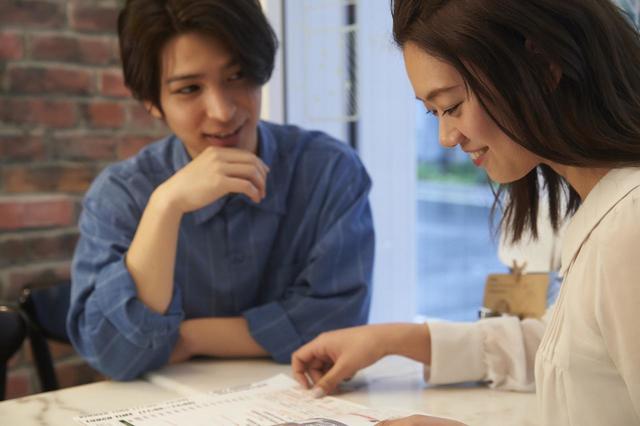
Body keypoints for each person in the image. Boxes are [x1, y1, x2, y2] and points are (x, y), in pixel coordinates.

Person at [292, 0, 640, 425]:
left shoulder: (629, 227)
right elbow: (575, 351)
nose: (445, 136)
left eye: (452, 105)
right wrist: (394, 339)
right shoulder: (609, 209)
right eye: (433, 112)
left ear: (544, 65)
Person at [67, 0, 374, 381]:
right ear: (152, 102)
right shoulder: (121, 195)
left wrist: (189, 337)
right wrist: (165, 207)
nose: (222, 111)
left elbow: (338, 323)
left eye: (237, 75)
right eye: (189, 88)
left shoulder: (328, 171)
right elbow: (112, 352)